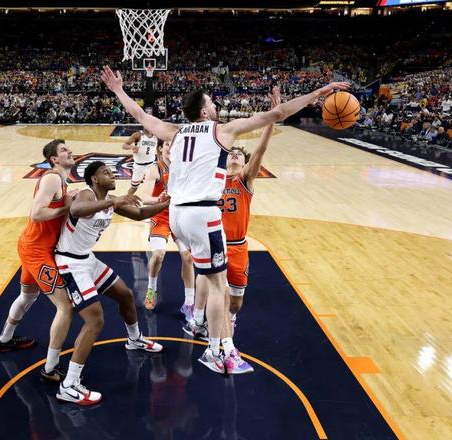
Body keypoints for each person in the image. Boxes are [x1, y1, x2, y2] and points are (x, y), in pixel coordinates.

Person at [101, 65, 349, 374]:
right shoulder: (222, 131)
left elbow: (139, 115)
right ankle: (216, 351)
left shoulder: (175, 132)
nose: (216, 105)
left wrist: (118, 89)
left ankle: (216, 338)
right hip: (202, 214)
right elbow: (278, 113)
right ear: (204, 112)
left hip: (177, 214)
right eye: (211, 102)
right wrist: (319, 92)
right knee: (219, 286)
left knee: (207, 277)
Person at [54, 161, 169, 405]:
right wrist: (112, 203)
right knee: (95, 320)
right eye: (106, 172)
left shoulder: (110, 200)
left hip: (87, 259)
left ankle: (134, 340)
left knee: (125, 295)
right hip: (70, 263)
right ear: (95, 179)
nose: (112, 174)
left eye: (111, 171)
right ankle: (69, 384)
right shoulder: (87, 194)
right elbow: (77, 209)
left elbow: (140, 214)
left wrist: (166, 204)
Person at [187, 87, 281, 375]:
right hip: (215, 243)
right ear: (225, 158)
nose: (236, 156)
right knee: (220, 291)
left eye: (240, 154)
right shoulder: (212, 180)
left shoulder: (245, 181)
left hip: (239, 247)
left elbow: (260, 150)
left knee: (235, 302)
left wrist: (271, 119)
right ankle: (213, 332)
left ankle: (219, 320)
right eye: (232, 154)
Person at [0, 139, 79, 383]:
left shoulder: (62, 181)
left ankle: (5, 339)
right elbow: (37, 213)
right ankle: (50, 368)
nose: (69, 151)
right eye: (63, 150)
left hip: (32, 246)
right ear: (54, 159)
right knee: (66, 307)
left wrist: (68, 200)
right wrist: (66, 208)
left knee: (27, 297)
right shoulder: (52, 178)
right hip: (36, 251)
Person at [138, 141, 195, 315]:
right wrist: (158, 200)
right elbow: (145, 198)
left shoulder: (185, 167)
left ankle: (189, 301)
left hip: (180, 216)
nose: (171, 147)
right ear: (161, 148)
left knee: (188, 257)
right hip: (160, 217)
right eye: (168, 144)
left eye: (174, 144)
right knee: (158, 255)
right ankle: (151, 288)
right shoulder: (154, 169)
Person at [122, 129, 158, 195]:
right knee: (134, 188)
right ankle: (127, 198)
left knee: (156, 184)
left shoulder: (156, 135)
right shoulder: (138, 134)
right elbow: (124, 145)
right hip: (139, 166)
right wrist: (132, 147)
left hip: (151, 164)